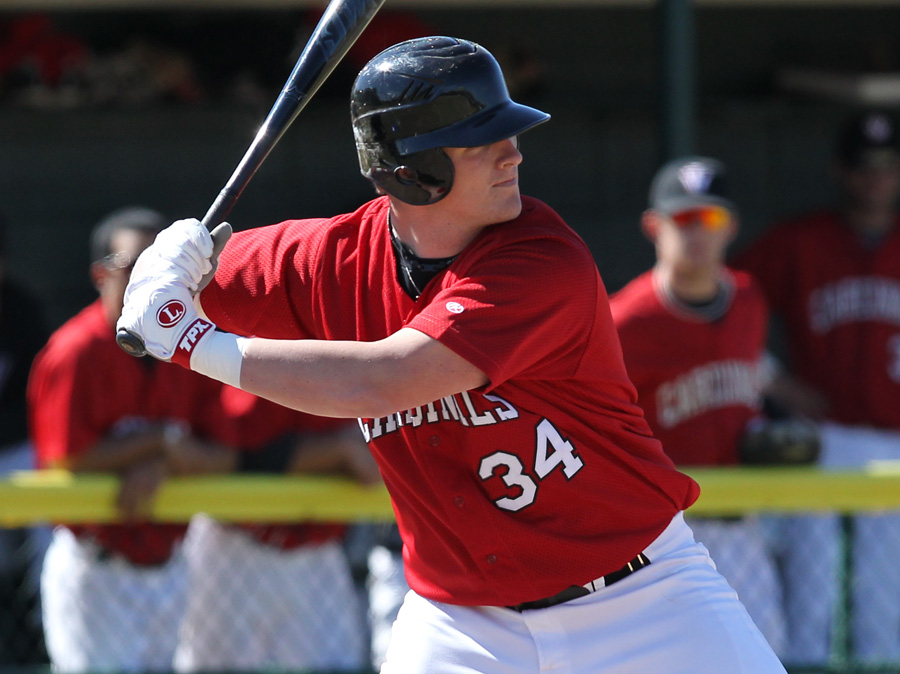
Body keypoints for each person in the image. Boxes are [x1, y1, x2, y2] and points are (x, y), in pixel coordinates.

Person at [117, 36, 787, 673]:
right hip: (462, 624)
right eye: (482, 141)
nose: (513, 155)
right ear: (414, 171)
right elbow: (172, 289)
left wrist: (192, 341)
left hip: (640, 599)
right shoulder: (329, 259)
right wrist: (164, 267)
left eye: (510, 133)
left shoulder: (541, 258)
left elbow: (386, 380)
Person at [27, 206, 237, 674]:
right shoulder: (74, 352)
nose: (147, 276)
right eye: (133, 264)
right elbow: (67, 461)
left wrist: (163, 462)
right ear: (100, 275)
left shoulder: (187, 343)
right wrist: (161, 443)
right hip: (97, 567)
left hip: (170, 565)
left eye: (156, 264)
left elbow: (222, 456)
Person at [732, 108, 900, 665]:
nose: (875, 179)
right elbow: (723, 306)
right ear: (841, 172)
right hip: (819, 435)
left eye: (887, 166)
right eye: (864, 167)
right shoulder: (801, 240)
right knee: (812, 582)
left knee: (888, 589)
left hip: (895, 440)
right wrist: (776, 380)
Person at [609, 156, 787, 657]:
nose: (698, 233)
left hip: (741, 520)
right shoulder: (623, 321)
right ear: (654, 226)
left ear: (730, 226)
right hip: (661, 531)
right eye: (684, 219)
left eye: (710, 219)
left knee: (765, 654)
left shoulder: (749, 299)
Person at [174, 386, 380, 673]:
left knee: (338, 664)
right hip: (238, 548)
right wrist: (336, 451)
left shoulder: (349, 355)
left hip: (315, 553)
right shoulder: (264, 348)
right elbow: (235, 456)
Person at [0, 211, 51, 664]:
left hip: (11, 451)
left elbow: (36, 401)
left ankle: (38, 633)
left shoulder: (18, 308)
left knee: (51, 491)